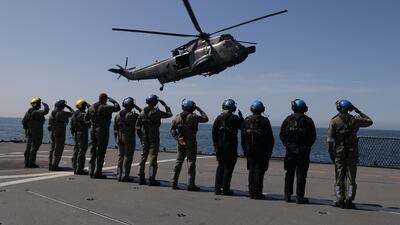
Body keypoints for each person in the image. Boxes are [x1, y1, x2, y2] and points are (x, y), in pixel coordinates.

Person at [328, 99, 373, 209]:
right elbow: (369, 121)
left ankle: (340, 200)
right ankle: (349, 200)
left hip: (339, 152)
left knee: (339, 176)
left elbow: (330, 140)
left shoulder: (334, 121)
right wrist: (357, 110)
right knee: (351, 177)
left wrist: (330, 152)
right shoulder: (355, 120)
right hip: (352, 152)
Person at [279, 99, 316, 204]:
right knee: (301, 175)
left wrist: (290, 147)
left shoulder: (287, 119)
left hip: (290, 152)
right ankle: (299, 197)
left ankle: (287, 196)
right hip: (303, 153)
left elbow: (282, 136)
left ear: (293, 107)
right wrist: (303, 148)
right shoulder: (308, 121)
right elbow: (312, 137)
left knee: (289, 174)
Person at [170, 99, 209, 191]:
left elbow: (172, 130)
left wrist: (178, 139)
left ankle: (173, 182)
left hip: (180, 142)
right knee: (191, 162)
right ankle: (191, 185)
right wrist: (199, 109)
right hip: (191, 142)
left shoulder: (177, 117)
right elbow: (205, 118)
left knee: (178, 162)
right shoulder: (193, 117)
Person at [136, 94, 172, 185]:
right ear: (155, 102)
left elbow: (137, 126)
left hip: (144, 136)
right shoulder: (156, 112)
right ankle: (151, 178)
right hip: (154, 136)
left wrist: (140, 136)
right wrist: (165, 105)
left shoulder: (142, 112)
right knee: (153, 157)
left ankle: (141, 177)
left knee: (143, 156)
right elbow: (169, 114)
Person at [241, 100, 274, 199]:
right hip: (261, 151)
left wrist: (245, 150)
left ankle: (251, 193)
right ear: (262, 109)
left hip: (249, 149)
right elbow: (270, 139)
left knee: (252, 170)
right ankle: (257, 193)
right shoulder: (265, 121)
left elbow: (242, 137)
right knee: (259, 171)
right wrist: (269, 152)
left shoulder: (246, 120)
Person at [212, 99, 243, 195]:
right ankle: (225, 189)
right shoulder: (235, 118)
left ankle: (217, 189)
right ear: (233, 107)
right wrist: (241, 118)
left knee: (220, 167)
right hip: (231, 146)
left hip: (219, 146)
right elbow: (242, 127)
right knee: (228, 168)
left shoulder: (218, 118)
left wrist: (216, 146)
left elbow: (214, 133)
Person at [87, 93, 121, 178]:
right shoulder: (105, 107)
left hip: (92, 131)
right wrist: (113, 100)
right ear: (105, 99)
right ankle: (98, 173)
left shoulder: (91, 107)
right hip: (102, 131)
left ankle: (91, 171)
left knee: (92, 151)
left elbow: (86, 118)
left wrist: (91, 125)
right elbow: (118, 107)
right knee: (101, 152)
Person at [114, 97, 141, 182]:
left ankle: (119, 175)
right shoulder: (132, 115)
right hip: (128, 138)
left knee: (120, 156)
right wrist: (137, 107)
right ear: (131, 105)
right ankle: (125, 176)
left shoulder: (117, 115)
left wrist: (116, 138)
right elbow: (143, 114)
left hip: (119, 137)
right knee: (128, 157)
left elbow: (115, 128)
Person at [22, 98, 49, 168]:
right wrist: (46, 105)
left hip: (29, 132)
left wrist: (26, 130)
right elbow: (46, 111)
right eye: (39, 103)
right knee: (34, 148)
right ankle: (31, 163)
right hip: (36, 133)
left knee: (28, 148)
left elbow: (23, 122)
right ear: (36, 104)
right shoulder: (36, 112)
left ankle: (26, 163)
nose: (40, 105)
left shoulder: (28, 112)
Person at [48, 100, 74, 171]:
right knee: (59, 149)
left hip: (52, 132)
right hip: (59, 132)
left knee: (52, 148)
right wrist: (68, 107)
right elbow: (73, 113)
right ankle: (55, 166)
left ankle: (50, 164)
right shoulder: (62, 113)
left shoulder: (52, 113)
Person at [71, 99, 91, 175]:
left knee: (76, 150)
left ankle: (75, 167)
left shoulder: (74, 114)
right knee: (82, 151)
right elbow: (92, 114)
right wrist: (89, 107)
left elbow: (71, 126)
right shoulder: (83, 114)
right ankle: (79, 169)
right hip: (82, 134)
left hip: (76, 133)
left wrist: (73, 134)